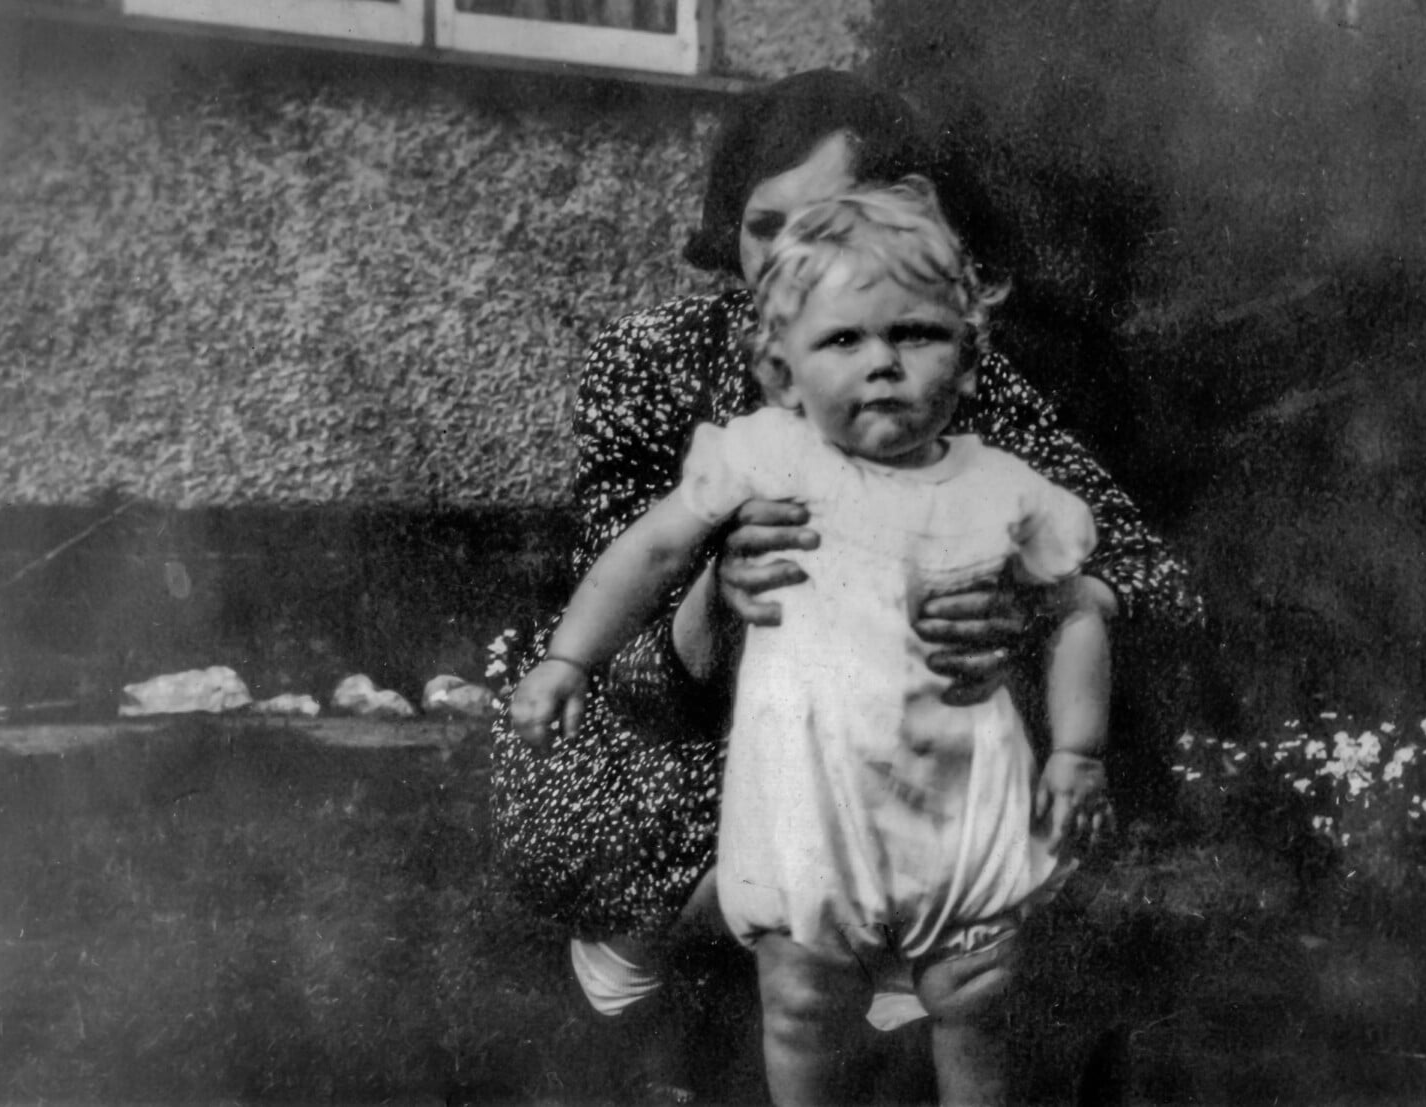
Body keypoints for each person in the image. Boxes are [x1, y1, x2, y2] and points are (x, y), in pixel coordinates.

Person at [488, 68, 1202, 1102]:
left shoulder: (943, 370)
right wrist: (712, 593)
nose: (787, 259)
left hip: (897, 721)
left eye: (819, 222)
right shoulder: (656, 363)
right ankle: (667, 931)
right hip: (680, 717)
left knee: (957, 936)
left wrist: (1022, 615)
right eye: (759, 225)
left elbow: (1142, 576)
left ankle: (896, 939)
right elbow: (627, 597)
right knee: (719, 869)